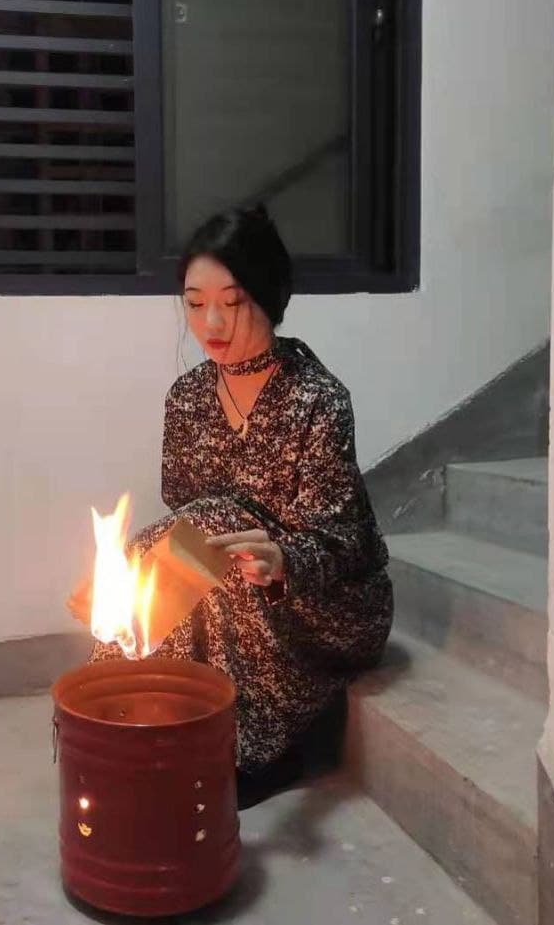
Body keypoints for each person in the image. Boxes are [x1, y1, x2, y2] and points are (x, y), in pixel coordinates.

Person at [75, 204, 394, 806]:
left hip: (325, 601)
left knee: (215, 535)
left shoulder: (317, 399)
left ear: (269, 296)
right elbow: (185, 516)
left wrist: (281, 559)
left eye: (233, 302)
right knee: (162, 549)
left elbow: (343, 543)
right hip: (229, 589)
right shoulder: (188, 399)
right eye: (195, 304)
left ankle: (262, 746)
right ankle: (126, 722)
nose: (211, 322)